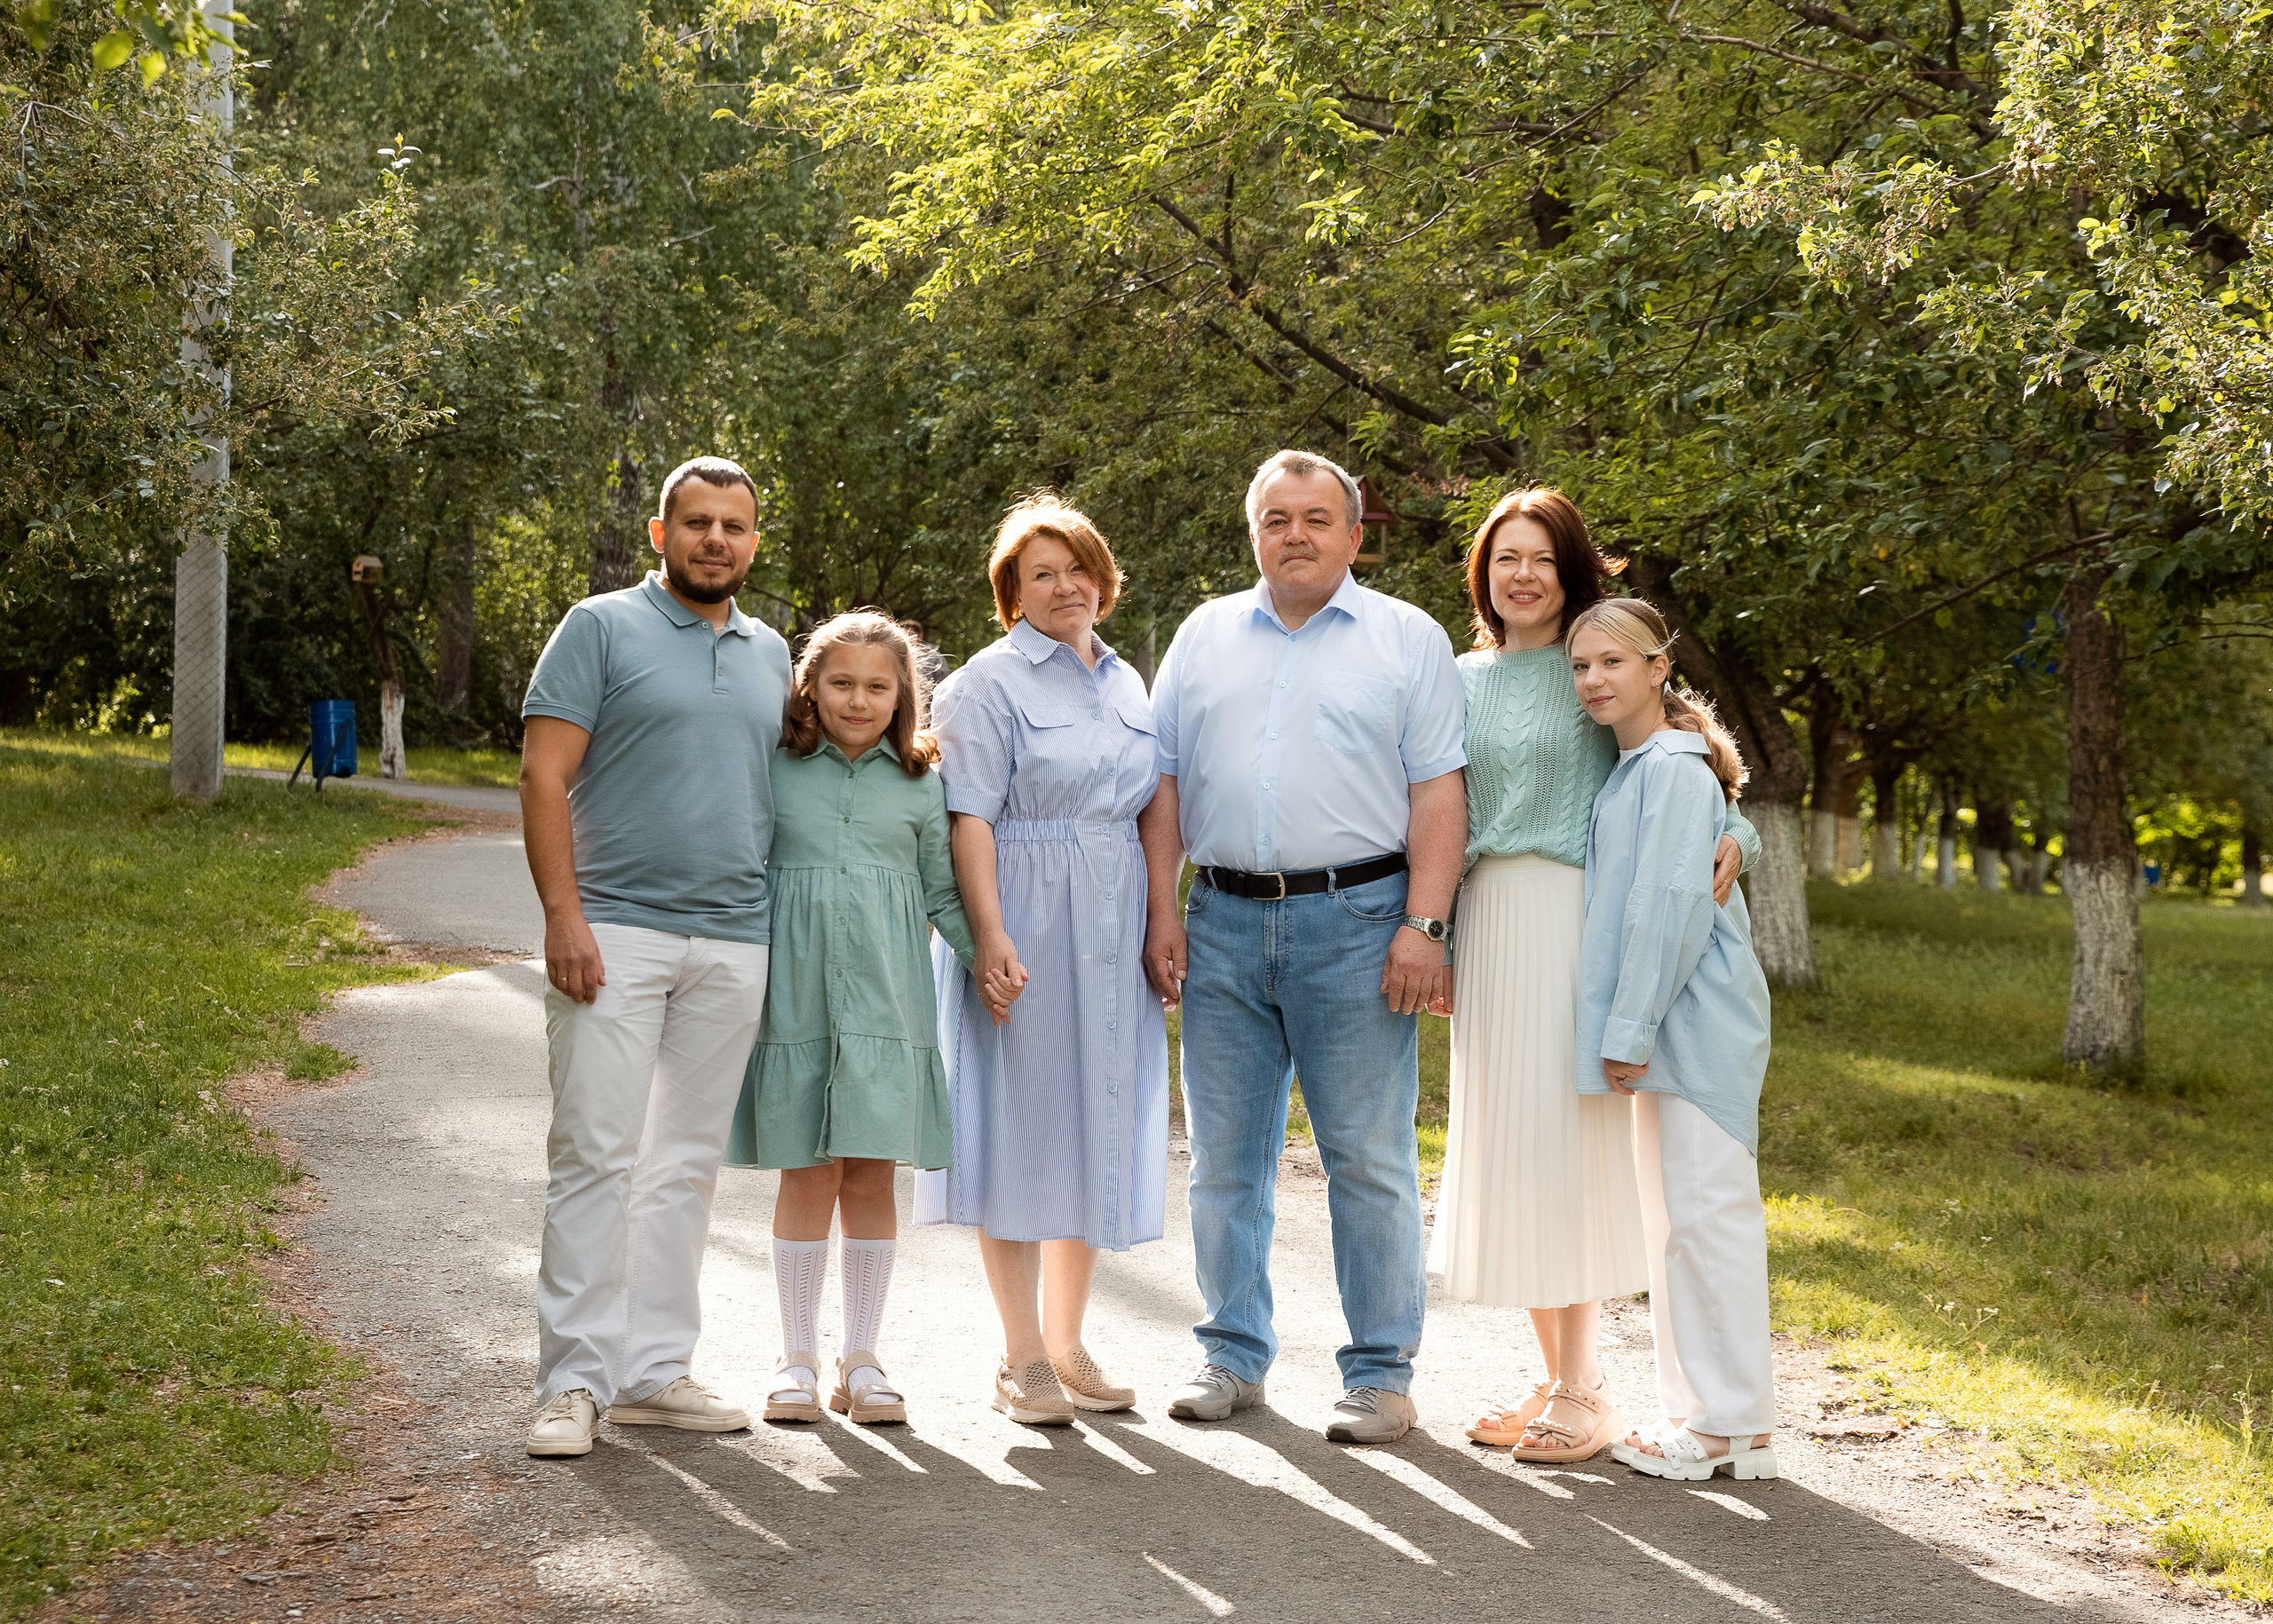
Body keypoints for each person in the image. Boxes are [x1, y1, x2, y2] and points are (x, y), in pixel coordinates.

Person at [1144, 449, 1466, 1446]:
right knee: (1220, 1161)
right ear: (1252, 531)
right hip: (1224, 921)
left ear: (1354, 533)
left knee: (1367, 1158)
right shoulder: (1202, 636)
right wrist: (1164, 910)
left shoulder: (1406, 638)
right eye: (1276, 516)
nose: (1296, 533)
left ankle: (1379, 1375)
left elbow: (1438, 796)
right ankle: (1230, 1355)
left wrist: (1424, 924)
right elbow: (1161, 786)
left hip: (1360, 922)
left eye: (1317, 517)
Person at [1430, 489, 1755, 1463]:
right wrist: (1435, 931)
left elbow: (1679, 760)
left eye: (1539, 556)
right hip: (1490, 920)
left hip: (1579, 925)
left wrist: (1734, 829)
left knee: (1567, 1154)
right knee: (1518, 1156)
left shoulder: (1597, 665)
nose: (1520, 574)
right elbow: (1434, 807)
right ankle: (1564, 1377)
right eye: (1502, 558)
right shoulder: (1457, 679)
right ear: (1482, 575)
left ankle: (1584, 1384)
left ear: (1571, 567)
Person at [518, 456, 791, 1458]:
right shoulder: (599, 626)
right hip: (615, 931)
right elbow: (544, 774)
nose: (715, 539)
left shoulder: (772, 652)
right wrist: (563, 914)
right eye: (697, 522)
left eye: (734, 525)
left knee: (684, 1163)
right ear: (659, 533)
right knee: (595, 1151)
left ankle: (651, 1371)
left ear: (753, 541)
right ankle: (571, 1383)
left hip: (735, 938)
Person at [915, 494, 1174, 1425]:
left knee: (1094, 1120)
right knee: (1020, 1126)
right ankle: (1019, 1355)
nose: (1065, 586)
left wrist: (1159, 919)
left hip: (1112, 916)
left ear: (1102, 577)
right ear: (1010, 594)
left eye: (1077, 568)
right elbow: (969, 815)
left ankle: (1068, 1343)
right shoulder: (985, 682)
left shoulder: (1125, 680)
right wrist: (989, 935)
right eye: (1041, 573)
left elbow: (1150, 809)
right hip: (1024, 909)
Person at [1565, 598, 1778, 1483]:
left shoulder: (1670, 770)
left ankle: (1725, 1426)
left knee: (1703, 1221)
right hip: (1673, 1029)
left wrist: (1629, 1029)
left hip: (1691, 1027)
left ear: (1660, 667)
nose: (1593, 680)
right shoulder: (1646, 766)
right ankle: (1716, 1419)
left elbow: (1665, 915)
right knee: (1681, 1224)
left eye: (1613, 661)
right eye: (1580, 666)